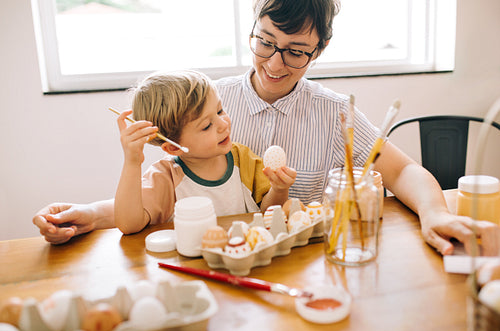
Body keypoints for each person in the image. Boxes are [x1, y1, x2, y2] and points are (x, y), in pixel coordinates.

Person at [33, 0, 500, 255]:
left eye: (296, 51)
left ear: (320, 49)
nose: (275, 64)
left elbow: (404, 172)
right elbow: (160, 197)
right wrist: (90, 216)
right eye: (265, 42)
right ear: (252, 26)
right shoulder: (209, 103)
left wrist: (435, 213)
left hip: (306, 264)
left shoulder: (335, 111)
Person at [115, 70, 296, 234]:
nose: (223, 124)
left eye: (220, 111)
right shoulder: (165, 177)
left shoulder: (242, 158)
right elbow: (129, 225)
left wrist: (279, 189)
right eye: (207, 126)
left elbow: (271, 215)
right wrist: (132, 162)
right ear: (174, 147)